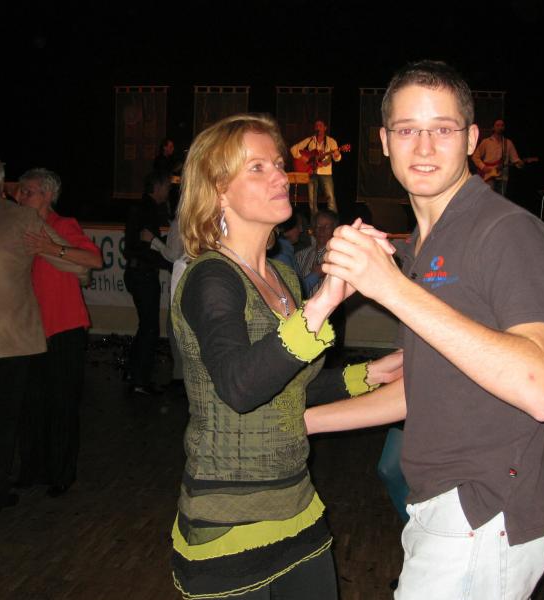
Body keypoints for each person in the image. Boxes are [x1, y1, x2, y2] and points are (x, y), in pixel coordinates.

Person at [306, 60, 544, 599]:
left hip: (483, 508)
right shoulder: (424, 245)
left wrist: (390, 287)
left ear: (472, 139)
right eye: (408, 130)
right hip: (440, 504)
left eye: (443, 129)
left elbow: (542, 388)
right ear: (385, 141)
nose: (425, 147)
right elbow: (422, 391)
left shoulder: (507, 232)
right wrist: (304, 424)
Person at [169, 113, 401, 599]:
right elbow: (240, 388)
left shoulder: (284, 278)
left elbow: (289, 390)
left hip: (296, 503)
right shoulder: (212, 277)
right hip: (229, 519)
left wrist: (372, 373)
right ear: (218, 191)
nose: (281, 176)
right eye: (257, 167)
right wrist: (324, 302)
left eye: (278, 164)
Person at [0, 155, 84, 515]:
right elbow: (77, 265)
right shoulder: (22, 218)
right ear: (1, 183)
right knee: (5, 416)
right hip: (15, 335)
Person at [15, 168, 102, 498]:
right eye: (20, 191)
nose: (21, 196)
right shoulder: (17, 226)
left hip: (64, 327)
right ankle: (32, 469)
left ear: (48, 195)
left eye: (29, 191)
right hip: (29, 329)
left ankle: (61, 473)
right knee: (31, 403)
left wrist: (51, 247)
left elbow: (94, 260)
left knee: (62, 403)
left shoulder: (63, 225)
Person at [123, 170, 171, 396]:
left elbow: (137, 246)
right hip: (143, 274)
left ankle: (133, 372)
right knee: (150, 327)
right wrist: (171, 262)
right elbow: (144, 247)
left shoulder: (141, 208)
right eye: (167, 186)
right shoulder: (148, 211)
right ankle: (140, 379)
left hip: (136, 273)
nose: (168, 191)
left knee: (146, 326)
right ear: (158, 187)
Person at [290, 120, 341, 215]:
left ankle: (333, 219)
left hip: (326, 173)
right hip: (311, 172)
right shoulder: (310, 140)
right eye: (316, 125)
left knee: (330, 197)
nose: (318, 127)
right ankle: (314, 222)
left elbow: (337, 159)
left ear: (325, 128)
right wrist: (303, 158)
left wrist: (337, 155)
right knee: (312, 200)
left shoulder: (331, 141)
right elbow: (293, 149)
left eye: (320, 125)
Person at [471, 118, 526, 196]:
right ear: (493, 128)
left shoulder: (508, 143)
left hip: (503, 176)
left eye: (502, 125)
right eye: (498, 125)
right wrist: (483, 167)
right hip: (488, 175)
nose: (500, 127)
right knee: (489, 197)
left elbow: (515, 159)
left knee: (500, 199)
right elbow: (475, 156)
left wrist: (520, 164)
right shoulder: (486, 142)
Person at [294, 208, 337, 298]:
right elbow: (294, 287)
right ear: (313, 229)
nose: (322, 230)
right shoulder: (300, 256)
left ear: (334, 230)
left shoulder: (338, 257)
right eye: (318, 226)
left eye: (327, 227)